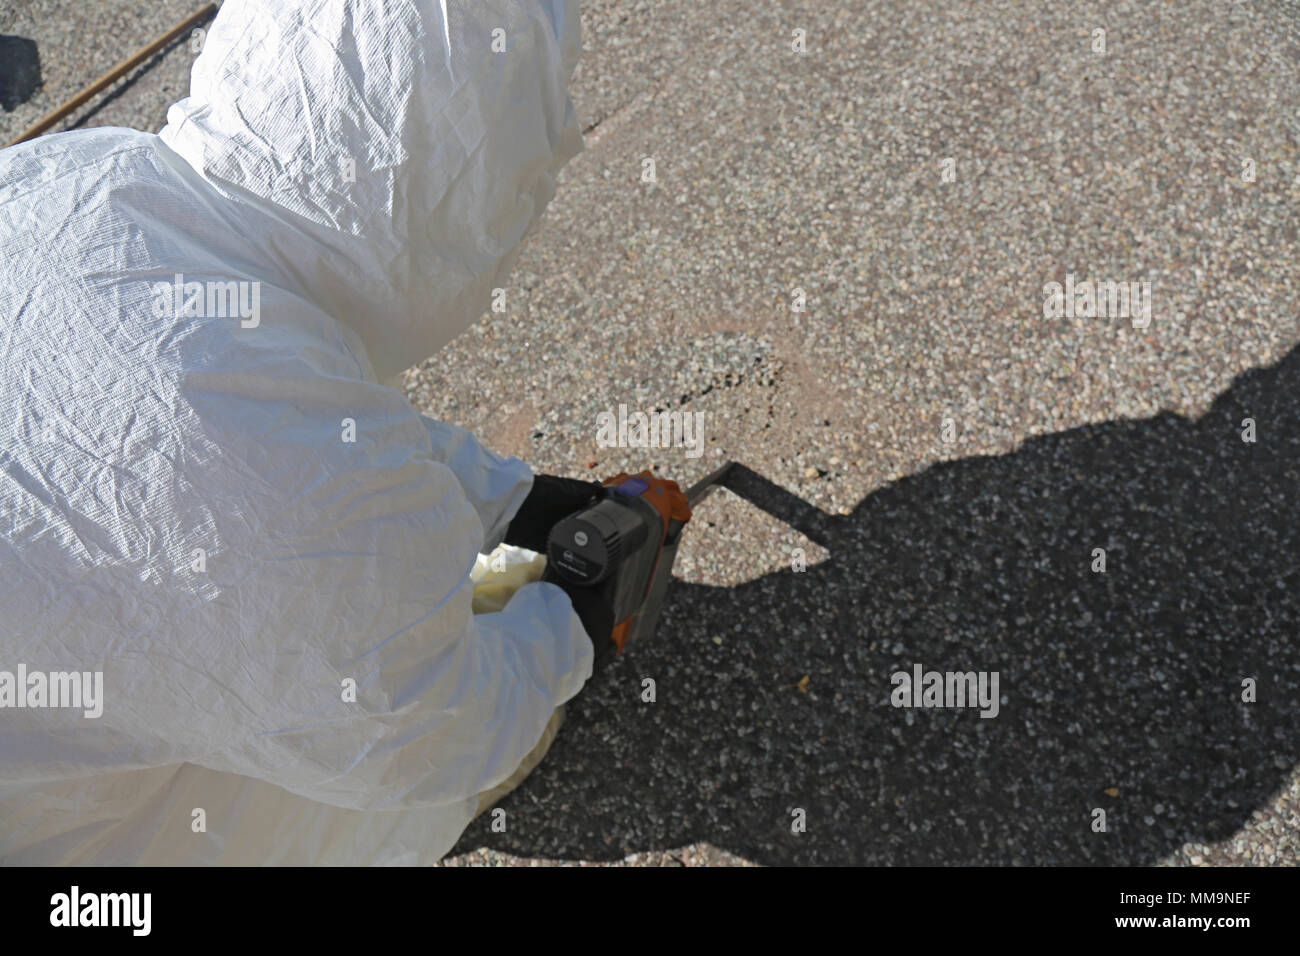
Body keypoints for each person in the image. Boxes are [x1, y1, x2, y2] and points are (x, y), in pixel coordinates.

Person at [0, 0, 601, 864]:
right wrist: (572, 625)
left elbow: (284, 412)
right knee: (326, 781)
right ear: (465, 202)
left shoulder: (84, 181)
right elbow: (418, 726)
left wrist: (502, 498)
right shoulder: (270, 494)